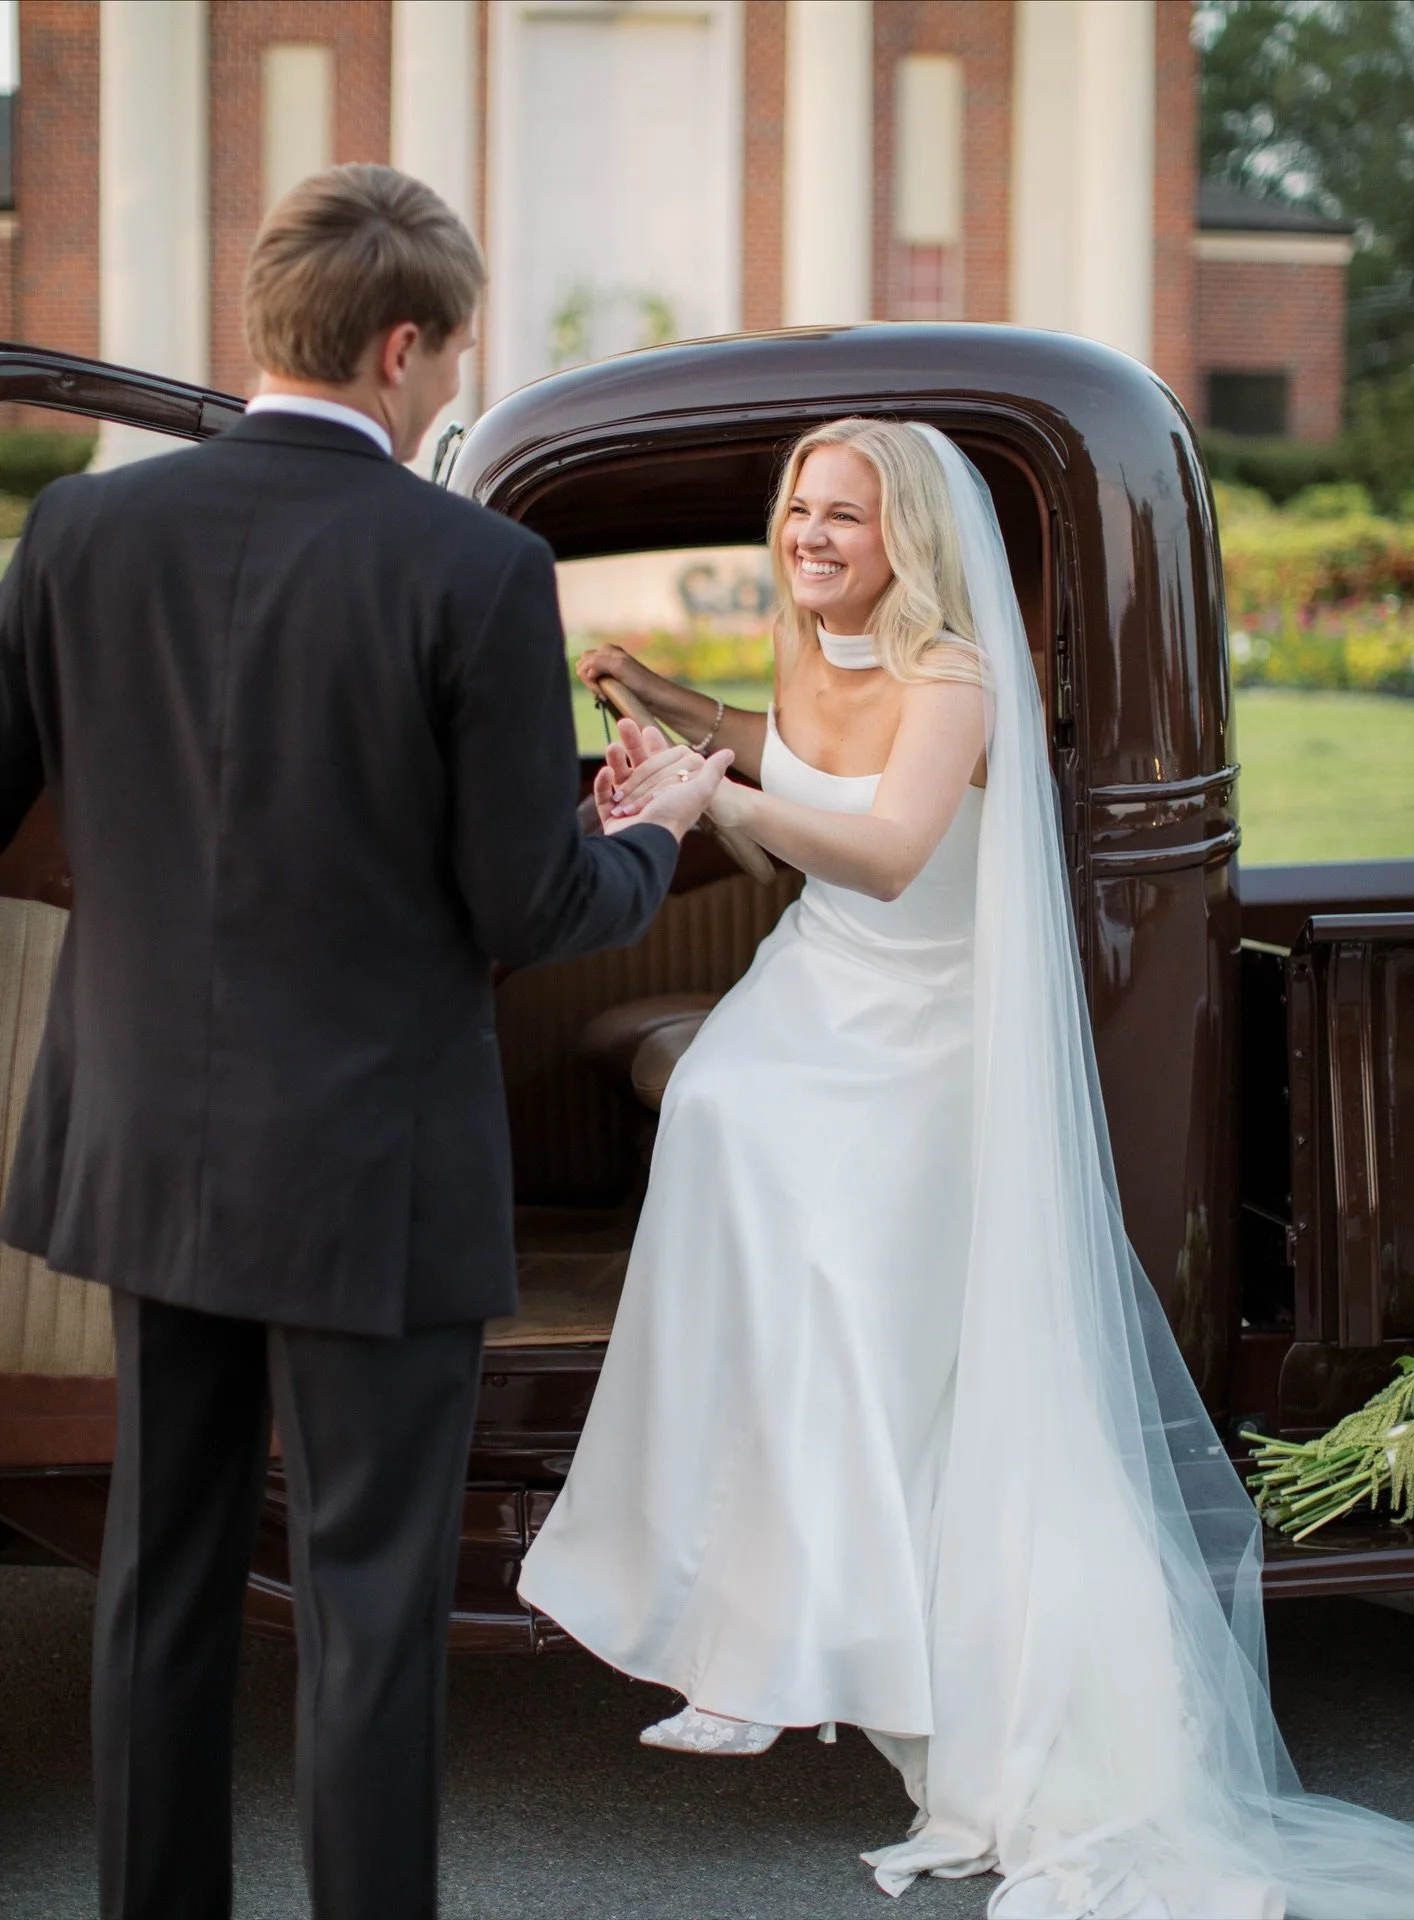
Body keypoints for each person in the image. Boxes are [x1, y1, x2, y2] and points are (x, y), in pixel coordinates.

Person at [519, 417, 1414, 1917]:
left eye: (847, 519)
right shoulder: (813, 641)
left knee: (809, 1235)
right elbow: (782, 791)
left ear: (910, 544)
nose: (812, 536)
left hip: (922, 1021)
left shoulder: (949, 673)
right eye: (800, 510)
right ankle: (721, 1610)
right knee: (717, 1116)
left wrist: (709, 803)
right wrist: (659, 719)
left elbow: (882, 850)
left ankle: (797, 1647)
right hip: (812, 988)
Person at [0, 164, 727, 1920]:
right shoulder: (476, 568)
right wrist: (655, 831)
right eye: (451, 358)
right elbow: (528, 908)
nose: (446, 386)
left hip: (146, 1147)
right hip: (366, 1176)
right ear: (403, 347)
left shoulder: (79, 540)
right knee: (369, 1608)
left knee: (159, 1580)